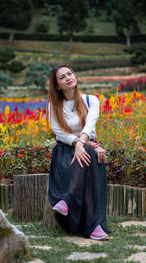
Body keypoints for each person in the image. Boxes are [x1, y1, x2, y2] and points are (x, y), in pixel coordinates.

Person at [47, 65, 108, 240]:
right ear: (57, 85)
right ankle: (94, 226)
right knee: (89, 152)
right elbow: (59, 133)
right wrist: (81, 144)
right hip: (65, 151)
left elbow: (90, 126)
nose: (68, 78)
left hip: (86, 147)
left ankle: (67, 199)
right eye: (62, 77)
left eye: (70, 73)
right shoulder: (54, 105)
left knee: (88, 152)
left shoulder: (91, 100)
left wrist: (83, 144)